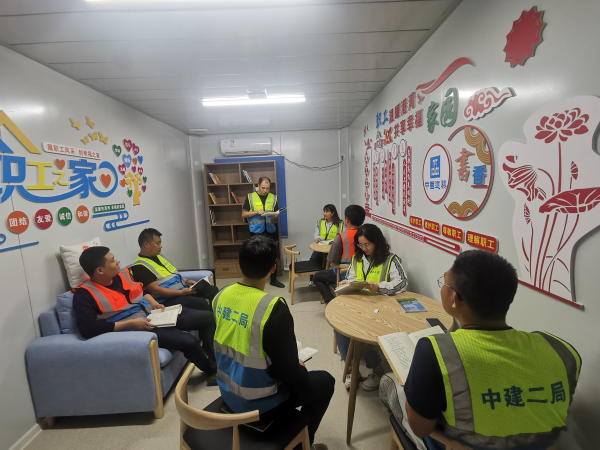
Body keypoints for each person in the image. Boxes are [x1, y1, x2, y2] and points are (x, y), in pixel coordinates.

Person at [404, 250, 581, 450]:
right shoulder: (562, 350)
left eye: (444, 283)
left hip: (460, 446)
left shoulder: (433, 351)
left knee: (395, 389)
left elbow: (421, 429)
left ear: (455, 298)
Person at [213, 235, 334, 450]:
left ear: (240, 264)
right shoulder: (272, 308)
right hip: (259, 404)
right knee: (325, 381)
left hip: (227, 391)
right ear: (273, 268)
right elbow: (291, 377)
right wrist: (299, 367)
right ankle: (303, 444)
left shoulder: (220, 295)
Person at [73, 246, 217, 384]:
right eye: (112, 260)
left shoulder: (122, 275)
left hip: (156, 314)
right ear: (100, 270)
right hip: (139, 329)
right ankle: (212, 371)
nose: (118, 261)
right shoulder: (84, 295)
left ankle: (215, 362)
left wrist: (153, 302)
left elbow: (142, 290)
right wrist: (130, 324)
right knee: (189, 341)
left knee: (208, 318)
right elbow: (87, 328)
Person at [336, 223, 407, 391]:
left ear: (377, 242)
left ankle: (376, 368)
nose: (364, 248)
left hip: (382, 306)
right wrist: (348, 283)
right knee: (340, 323)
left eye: (367, 244)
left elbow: (402, 283)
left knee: (363, 328)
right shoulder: (357, 258)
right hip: (360, 302)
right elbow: (352, 277)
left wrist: (379, 287)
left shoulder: (390, 260)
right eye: (360, 245)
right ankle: (350, 368)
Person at [130, 228, 218, 308]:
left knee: (212, 290)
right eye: (158, 243)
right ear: (146, 244)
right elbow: (156, 291)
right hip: (168, 299)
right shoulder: (140, 266)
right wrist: (181, 293)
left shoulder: (158, 256)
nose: (161, 246)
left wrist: (187, 280)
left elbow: (172, 274)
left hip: (182, 290)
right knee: (203, 303)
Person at [313, 204, 365, 304]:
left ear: (347, 220)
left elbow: (333, 263)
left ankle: (331, 302)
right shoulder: (367, 234)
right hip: (365, 274)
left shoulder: (341, 237)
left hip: (344, 274)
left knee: (317, 277)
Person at [241, 176, 285, 288]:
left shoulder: (273, 197)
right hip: (256, 231)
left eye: (268, 188)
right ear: (258, 186)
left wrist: (273, 215)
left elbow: (276, 215)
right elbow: (244, 214)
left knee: (273, 254)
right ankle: (255, 279)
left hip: (270, 230)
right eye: (263, 188)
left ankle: (273, 279)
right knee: (255, 255)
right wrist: (256, 212)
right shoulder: (250, 197)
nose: (265, 190)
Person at [309, 204, 344, 286]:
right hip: (321, 246)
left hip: (334, 248)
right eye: (324, 211)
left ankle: (331, 279)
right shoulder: (320, 222)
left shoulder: (340, 224)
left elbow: (343, 235)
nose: (324, 213)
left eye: (327, 212)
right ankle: (312, 279)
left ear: (332, 213)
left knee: (332, 261)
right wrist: (317, 238)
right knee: (314, 259)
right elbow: (316, 234)